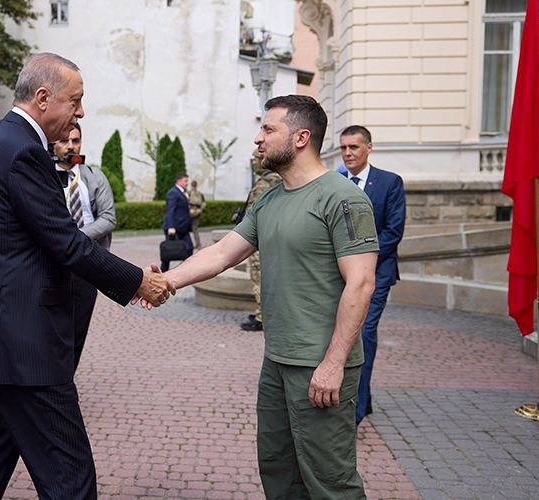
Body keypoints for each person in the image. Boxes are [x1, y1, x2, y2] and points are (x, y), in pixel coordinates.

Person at [0, 53, 174, 500]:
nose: (81, 112)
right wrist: (138, 282)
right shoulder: (24, 152)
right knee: (70, 479)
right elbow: (66, 243)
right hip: (21, 349)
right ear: (44, 98)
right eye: (77, 100)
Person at [158, 95, 378, 499]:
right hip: (277, 361)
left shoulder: (343, 197)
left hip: (320, 365)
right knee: (278, 469)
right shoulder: (269, 200)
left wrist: (333, 363)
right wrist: (166, 282)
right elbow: (223, 252)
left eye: (268, 129)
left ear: (300, 137)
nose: (258, 139)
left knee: (331, 482)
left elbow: (361, 284)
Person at [337, 125, 406, 425]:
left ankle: (354, 412)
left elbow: (393, 231)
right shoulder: (334, 181)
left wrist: (361, 262)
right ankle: (362, 399)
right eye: (343, 148)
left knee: (361, 335)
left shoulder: (390, 183)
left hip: (377, 274)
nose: (348, 153)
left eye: (354, 147)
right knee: (343, 334)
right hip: (340, 276)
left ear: (369, 148)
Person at [52, 123, 117, 372]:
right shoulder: (42, 174)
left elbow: (109, 218)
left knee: (77, 329)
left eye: (75, 141)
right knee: (50, 327)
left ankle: (65, 381)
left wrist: (75, 238)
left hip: (86, 264)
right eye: (64, 141)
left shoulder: (94, 176)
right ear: (53, 144)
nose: (70, 146)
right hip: (52, 264)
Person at [240, 151, 282, 332]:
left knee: (259, 280)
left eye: (256, 159)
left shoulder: (263, 184)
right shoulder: (281, 180)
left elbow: (253, 217)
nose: (254, 163)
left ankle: (261, 317)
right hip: (277, 239)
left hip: (260, 242)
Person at [160, 172, 192, 271]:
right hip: (174, 228)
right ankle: (162, 273)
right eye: (185, 181)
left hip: (182, 228)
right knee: (168, 253)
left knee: (189, 248)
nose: (187, 183)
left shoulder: (183, 193)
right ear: (178, 181)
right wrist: (171, 227)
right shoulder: (173, 193)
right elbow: (170, 210)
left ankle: (185, 271)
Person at [188, 180, 206, 249]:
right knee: (195, 229)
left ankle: (188, 244)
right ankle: (198, 244)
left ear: (191, 185)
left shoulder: (189, 193)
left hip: (190, 212)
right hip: (198, 212)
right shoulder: (200, 194)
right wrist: (200, 210)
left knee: (187, 229)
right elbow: (204, 203)